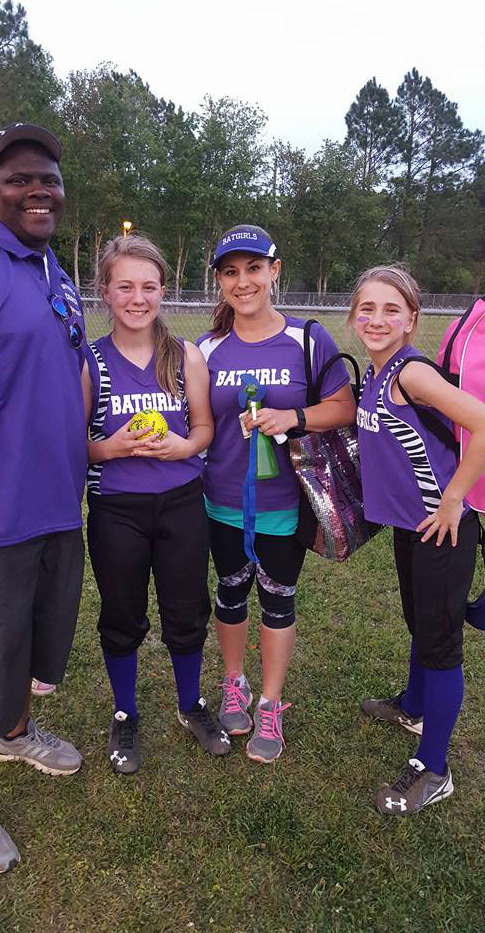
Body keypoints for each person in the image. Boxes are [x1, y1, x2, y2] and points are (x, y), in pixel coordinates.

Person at [0, 123, 87, 874]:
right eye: (20, 178)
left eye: (51, 180)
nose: (39, 190)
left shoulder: (51, 269)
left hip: (53, 504)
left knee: (29, 644)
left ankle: (15, 732)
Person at [197, 224, 356, 763]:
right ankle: (234, 682)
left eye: (254, 269)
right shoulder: (208, 347)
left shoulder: (308, 338)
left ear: (275, 271)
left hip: (284, 503)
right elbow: (197, 422)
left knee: (278, 600)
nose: (243, 282)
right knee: (230, 591)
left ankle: (269, 702)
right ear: (219, 280)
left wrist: (294, 416)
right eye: (231, 272)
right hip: (220, 498)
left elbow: (345, 406)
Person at [82, 234, 230, 776]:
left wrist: (183, 446)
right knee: (122, 613)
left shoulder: (183, 354)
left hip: (181, 502)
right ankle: (125, 712)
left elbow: (205, 426)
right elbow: (73, 445)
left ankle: (190, 705)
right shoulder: (90, 360)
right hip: (117, 506)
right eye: (125, 286)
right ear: (106, 292)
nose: (137, 297)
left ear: (163, 290)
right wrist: (112, 446)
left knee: (187, 610)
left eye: (148, 286)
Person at [350, 264, 485, 816]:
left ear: (411, 320)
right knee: (421, 623)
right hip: (412, 526)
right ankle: (413, 705)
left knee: (439, 642)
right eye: (367, 308)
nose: (377, 319)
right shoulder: (377, 372)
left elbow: (483, 421)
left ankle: (435, 768)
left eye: (391, 310)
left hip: (442, 527)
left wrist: (455, 497)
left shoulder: (411, 373)